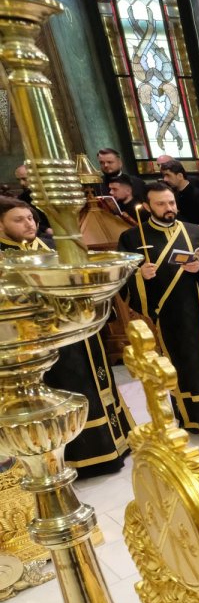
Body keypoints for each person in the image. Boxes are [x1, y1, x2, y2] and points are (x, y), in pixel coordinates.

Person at [0, 197, 133, 475]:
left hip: (81, 332)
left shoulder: (53, 248)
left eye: (31, 218)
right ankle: (78, 457)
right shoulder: (5, 261)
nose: (28, 224)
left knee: (97, 383)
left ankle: (117, 442)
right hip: (42, 339)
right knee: (69, 388)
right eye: (18, 219)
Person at [119, 183, 199, 433]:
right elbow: (123, 279)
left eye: (171, 202)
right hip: (171, 314)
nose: (168, 208)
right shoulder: (132, 238)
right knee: (185, 364)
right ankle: (194, 416)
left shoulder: (198, 232)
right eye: (161, 204)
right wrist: (140, 275)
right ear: (148, 206)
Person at [160, 160, 199, 226]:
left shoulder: (198, 195)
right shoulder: (174, 193)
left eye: (168, 175)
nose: (165, 179)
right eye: (164, 176)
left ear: (180, 176)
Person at [13, 164, 51, 235]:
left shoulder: (52, 192)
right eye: (19, 180)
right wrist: (46, 229)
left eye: (24, 179)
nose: (21, 183)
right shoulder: (23, 198)